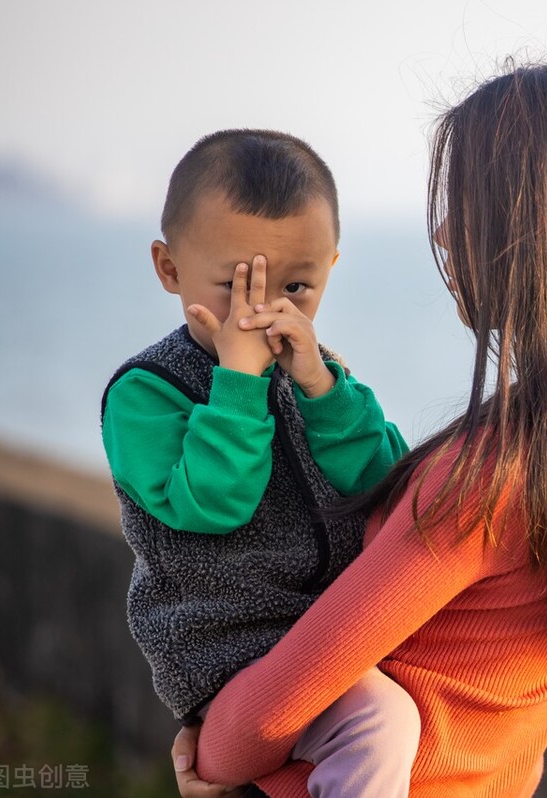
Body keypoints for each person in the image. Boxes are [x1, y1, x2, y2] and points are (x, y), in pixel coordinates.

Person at [174, 62, 547, 798]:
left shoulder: (486, 483)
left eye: (467, 204)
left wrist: (204, 748)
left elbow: (268, 711)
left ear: (539, 232)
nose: (443, 231)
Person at [101, 129, 419, 797]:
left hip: (329, 638)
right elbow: (214, 505)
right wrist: (239, 388)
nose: (263, 312)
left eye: (297, 287)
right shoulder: (144, 395)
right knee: (382, 723)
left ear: (332, 265)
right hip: (228, 650)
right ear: (169, 268)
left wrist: (328, 394)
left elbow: (389, 492)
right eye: (235, 286)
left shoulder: (320, 378)